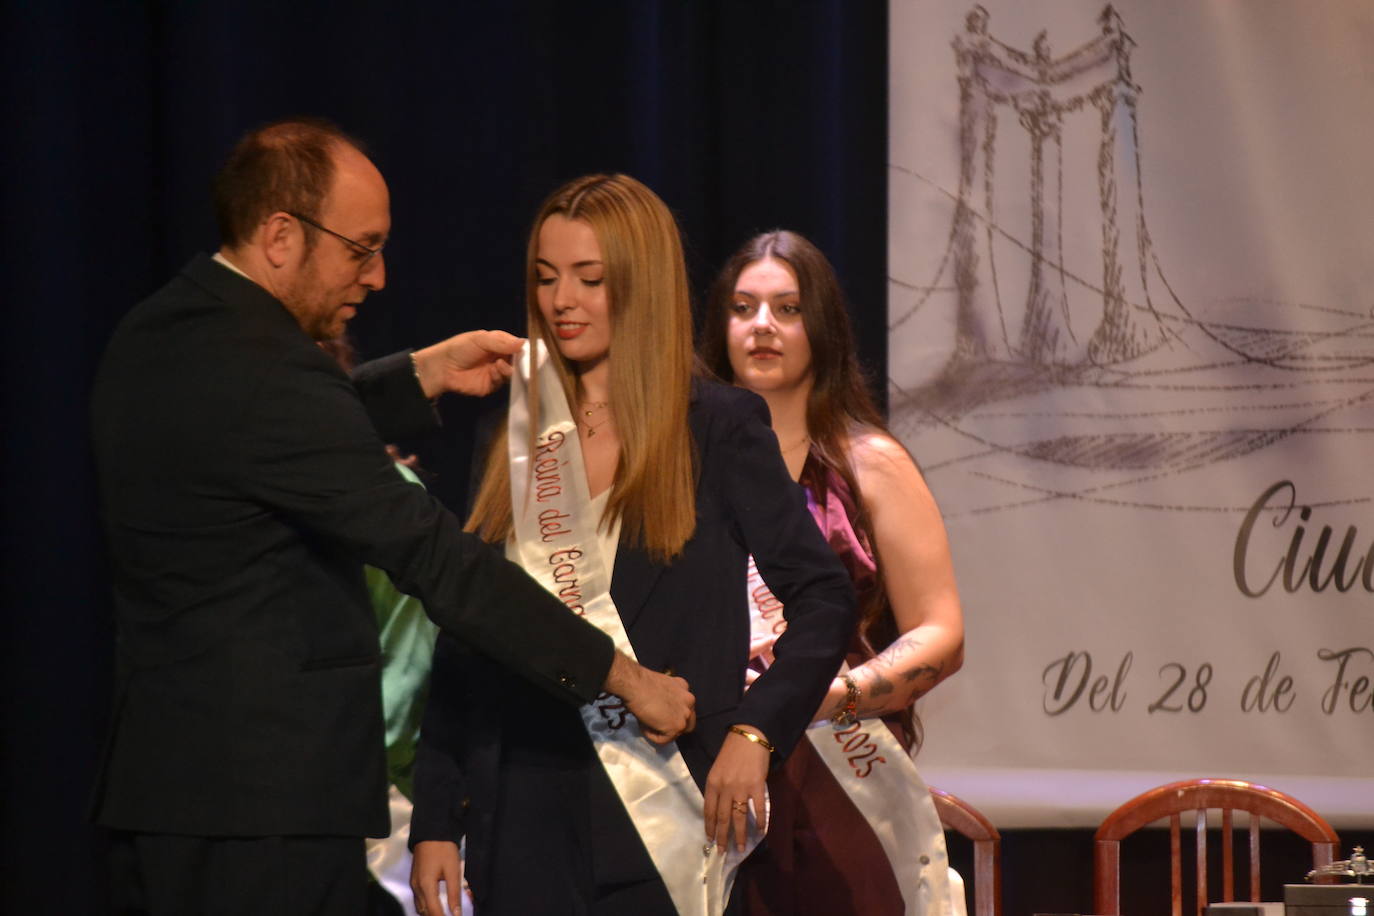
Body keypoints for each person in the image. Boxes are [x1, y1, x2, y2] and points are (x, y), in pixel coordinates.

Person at [89, 120, 694, 916]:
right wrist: (626, 678)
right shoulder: (273, 378)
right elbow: (439, 563)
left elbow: (253, 442)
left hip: (172, 795)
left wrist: (419, 375)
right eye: (360, 248)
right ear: (280, 236)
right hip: (263, 815)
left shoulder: (161, 331)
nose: (376, 276)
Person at [408, 176, 856, 916]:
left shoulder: (719, 426)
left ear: (640, 285)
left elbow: (825, 598)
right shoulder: (514, 437)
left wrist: (757, 731)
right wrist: (435, 818)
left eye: (590, 279)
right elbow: (468, 630)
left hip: (669, 818)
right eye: (546, 278)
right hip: (518, 816)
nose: (562, 301)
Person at [699, 230, 966, 915]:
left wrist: (828, 697)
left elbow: (941, 633)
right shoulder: (678, 465)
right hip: (702, 772)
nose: (761, 326)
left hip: (841, 773)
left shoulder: (869, 464)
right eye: (743, 307)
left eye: (787, 309)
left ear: (822, 327)